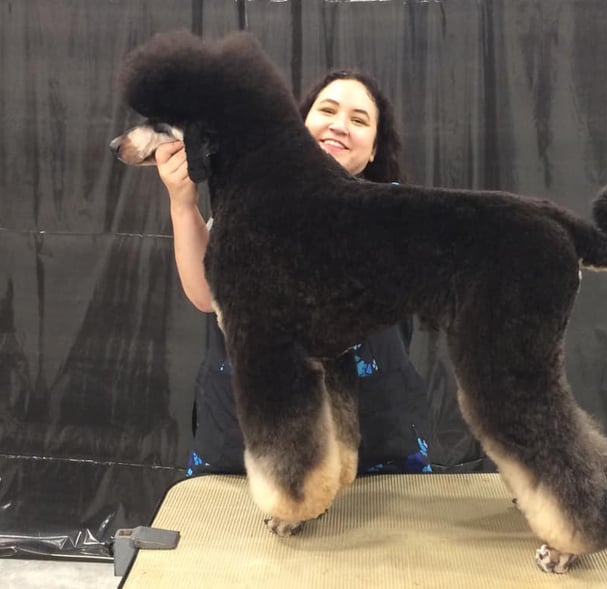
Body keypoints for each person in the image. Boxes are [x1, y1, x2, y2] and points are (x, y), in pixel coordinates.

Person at [155, 69, 433, 477]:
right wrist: (182, 202)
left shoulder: (400, 214)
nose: (339, 125)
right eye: (327, 110)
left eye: (359, 120)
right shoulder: (247, 201)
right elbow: (204, 295)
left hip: (374, 445)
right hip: (249, 444)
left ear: (374, 148)